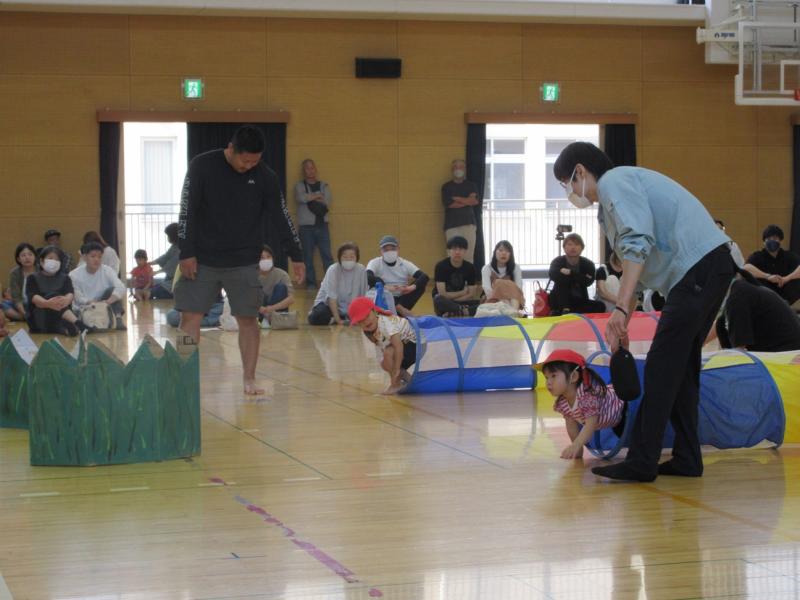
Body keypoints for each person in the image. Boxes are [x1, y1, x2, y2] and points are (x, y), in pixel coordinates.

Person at [554, 141, 732, 482]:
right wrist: (623, 320)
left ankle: (642, 460)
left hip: (698, 269)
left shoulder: (614, 182)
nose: (570, 192)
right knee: (680, 369)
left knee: (662, 366)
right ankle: (687, 458)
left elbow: (637, 243)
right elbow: (634, 269)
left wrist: (621, 308)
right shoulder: (613, 199)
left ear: (580, 171)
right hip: (708, 269)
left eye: (566, 183)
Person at [175, 125, 304, 396]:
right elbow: (187, 211)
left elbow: (281, 216)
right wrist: (186, 252)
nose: (249, 166)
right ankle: (181, 377)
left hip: (244, 260)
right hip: (203, 258)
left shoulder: (265, 177)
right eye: (245, 160)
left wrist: (296, 255)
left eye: (255, 162)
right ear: (231, 149)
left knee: (248, 319)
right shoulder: (202, 166)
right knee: (190, 317)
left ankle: (249, 379)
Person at [537, 349, 625, 460]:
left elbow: (590, 425)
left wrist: (576, 445)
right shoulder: (563, 402)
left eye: (553, 376)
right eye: (546, 377)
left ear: (573, 376)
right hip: (615, 420)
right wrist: (577, 451)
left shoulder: (587, 397)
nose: (548, 382)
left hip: (623, 405)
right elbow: (571, 425)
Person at [715, 269, 800, 352]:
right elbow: (720, 323)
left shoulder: (738, 297)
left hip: (785, 354)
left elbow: (739, 349)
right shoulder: (745, 290)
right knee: (721, 326)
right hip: (786, 349)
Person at [349, 296, 417, 395]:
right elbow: (383, 347)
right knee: (384, 364)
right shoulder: (368, 332)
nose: (366, 322)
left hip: (414, 344)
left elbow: (398, 346)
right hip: (403, 346)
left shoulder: (385, 324)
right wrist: (391, 366)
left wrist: (396, 368)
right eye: (361, 321)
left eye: (367, 316)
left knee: (388, 354)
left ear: (374, 311)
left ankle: (395, 384)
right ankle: (408, 379)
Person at [26, 246, 86, 336]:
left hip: (60, 315)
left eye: (57, 259)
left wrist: (66, 300)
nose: (54, 262)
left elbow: (70, 293)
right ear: (41, 261)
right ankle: (78, 323)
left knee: (57, 301)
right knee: (53, 296)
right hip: (39, 317)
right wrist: (48, 303)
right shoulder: (32, 278)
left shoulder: (65, 278)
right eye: (50, 258)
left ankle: (64, 329)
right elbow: (33, 297)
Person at [366, 235, 429, 317]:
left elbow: (424, 276)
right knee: (376, 283)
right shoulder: (375, 262)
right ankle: (400, 309)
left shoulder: (405, 263)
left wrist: (410, 288)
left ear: (398, 249)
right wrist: (385, 286)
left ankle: (398, 311)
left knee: (420, 286)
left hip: (402, 297)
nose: (389, 252)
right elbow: (367, 276)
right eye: (386, 250)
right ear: (380, 251)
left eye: (393, 249)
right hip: (384, 297)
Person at [294, 159, 333, 287]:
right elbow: (300, 198)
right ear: (303, 171)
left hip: (322, 226)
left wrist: (310, 197)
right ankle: (310, 284)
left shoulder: (324, 185)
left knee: (327, 256)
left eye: (312, 168)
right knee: (307, 257)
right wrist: (317, 196)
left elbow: (327, 201)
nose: (310, 171)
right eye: (307, 168)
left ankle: (331, 283)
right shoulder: (299, 186)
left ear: (315, 169)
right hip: (306, 228)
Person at [69, 242, 127, 329]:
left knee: (112, 290)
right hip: (85, 306)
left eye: (99, 257)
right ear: (84, 257)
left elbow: (121, 287)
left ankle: (118, 320)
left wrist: (108, 301)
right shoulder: (74, 275)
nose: (96, 259)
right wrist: (89, 302)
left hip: (104, 303)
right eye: (93, 256)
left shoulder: (107, 270)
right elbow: (77, 296)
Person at [308, 242, 367, 326]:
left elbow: (363, 295)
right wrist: (338, 320)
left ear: (357, 258)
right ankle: (334, 318)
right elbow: (331, 298)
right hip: (329, 306)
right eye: (345, 257)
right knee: (318, 316)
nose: (348, 259)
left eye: (352, 257)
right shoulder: (333, 269)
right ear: (340, 258)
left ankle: (344, 317)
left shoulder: (361, 269)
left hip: (351, 307)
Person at [548, 233, 606, 315]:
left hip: (580, 301)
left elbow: (588, 282)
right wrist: (579, 277)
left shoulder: (588, 264)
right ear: (564, 247)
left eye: (576, 244)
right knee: (562, 283)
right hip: (559, 301)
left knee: (601, 306)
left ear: (582, 248)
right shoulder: (557, 261)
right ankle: (565, 310)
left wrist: (571, 273)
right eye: (570, 244)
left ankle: (569, 312)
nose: (573, 247)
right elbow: (553, 275)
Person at [743, 225, 800, 307]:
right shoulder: (757, 256)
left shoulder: (789, 256)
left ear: (780, 241)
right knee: (751, 280)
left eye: (775, 238)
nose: (772, 241)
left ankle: (783, 306)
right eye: (768, 239)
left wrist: (786, 279)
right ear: (764, 242)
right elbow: (746, 268)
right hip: (765, 294)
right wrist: (768, 276)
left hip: (785, 294)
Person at [441, 159, 480, 264]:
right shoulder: (446, 187)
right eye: (455, 167)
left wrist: (457, 198)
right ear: (452, 170)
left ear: (465, 169)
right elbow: (450, 204)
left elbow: (474, 201)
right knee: (452, 255)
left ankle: (468, 275)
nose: (458, 169)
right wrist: (467, 201)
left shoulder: (471, 185)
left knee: (468, 255)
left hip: (469, 224)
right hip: (451, 225)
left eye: (461, 167)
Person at [432, 236, 480, 317]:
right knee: (438, 299)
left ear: (465, 251)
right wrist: (462, 292)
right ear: (448, 251)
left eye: (460, 249)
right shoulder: (440, 266)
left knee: (483, 304)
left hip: (460, 301)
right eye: (454, 249)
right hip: (444, 302)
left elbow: (471, 294)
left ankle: (456, 311)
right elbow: (442, 294)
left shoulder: (470, 267)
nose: (457, 252)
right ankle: (464, 311)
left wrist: (455, 302)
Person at [258, 244, 295, 327]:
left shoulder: (282, 274)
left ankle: (270, 319)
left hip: (276, 311)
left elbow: (291, 299)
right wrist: (259, 308)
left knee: (281, 287)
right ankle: (262, 319)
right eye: (262, 257)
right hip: (258, 311)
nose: (266, 260)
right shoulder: (252, 275)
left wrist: (271, 308)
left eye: (268, 257)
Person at [481, 240, 525, 310]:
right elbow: (487, 289)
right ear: (495, 252)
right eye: (500, 250)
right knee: (498, 282)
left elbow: (518, 287)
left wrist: (508, 300)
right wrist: (501, 301)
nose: (504, 253)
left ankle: (513, 311)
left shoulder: (515, 267)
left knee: (509, 284)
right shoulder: (487, 268)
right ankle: (511, 311)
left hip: (513, 301)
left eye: (507, 251)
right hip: (493, 301)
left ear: (511, 254)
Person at [4, 242, 37, 322]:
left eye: (30, 254)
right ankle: (25, 318)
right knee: (3, 305)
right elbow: (16, 298)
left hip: (37, 305)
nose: (27, 257)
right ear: (18, 259)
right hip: (21, 305)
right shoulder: (14, 273)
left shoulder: (41, 271)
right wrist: (24, 313)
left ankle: (25, 317)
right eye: (23, 255)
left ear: (35, 257)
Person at [149, 223, 180, 300]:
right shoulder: (175, 246)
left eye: (168, 236)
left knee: (156, 290)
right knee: (155, 288)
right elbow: (166, 256)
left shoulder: (180, 249)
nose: (167, 238)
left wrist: (157, 272)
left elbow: (172, 265)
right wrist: (151, 263)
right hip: (170, 279)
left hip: (177, 282)